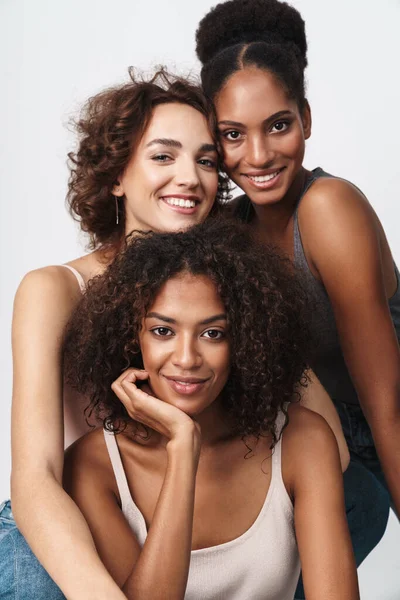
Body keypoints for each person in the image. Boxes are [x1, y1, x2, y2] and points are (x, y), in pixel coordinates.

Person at [1, 69, 227, 600]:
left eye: (207, 160)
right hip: (65, 537)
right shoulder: (56, 288)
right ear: (117, 176)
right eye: (164, 156)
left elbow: (325, 449)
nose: (190, 178)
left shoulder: (229, 292)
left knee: (356, 493)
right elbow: (33, 478)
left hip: (179, 521)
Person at [195, 0, 395, 592]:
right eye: (232, 134)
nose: (257, 157)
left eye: (277, 125)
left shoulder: (329, 210)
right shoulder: (229, 229)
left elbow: (387, 404)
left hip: (368, 446)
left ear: (306, 117)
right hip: (298, 450)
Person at [62, 218, 360, 600]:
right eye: (163, 331)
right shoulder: (94, 466)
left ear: (247, 341)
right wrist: (183, 447)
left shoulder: (302, 441)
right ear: (130, 336)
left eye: (213, 333)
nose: (186, 359)